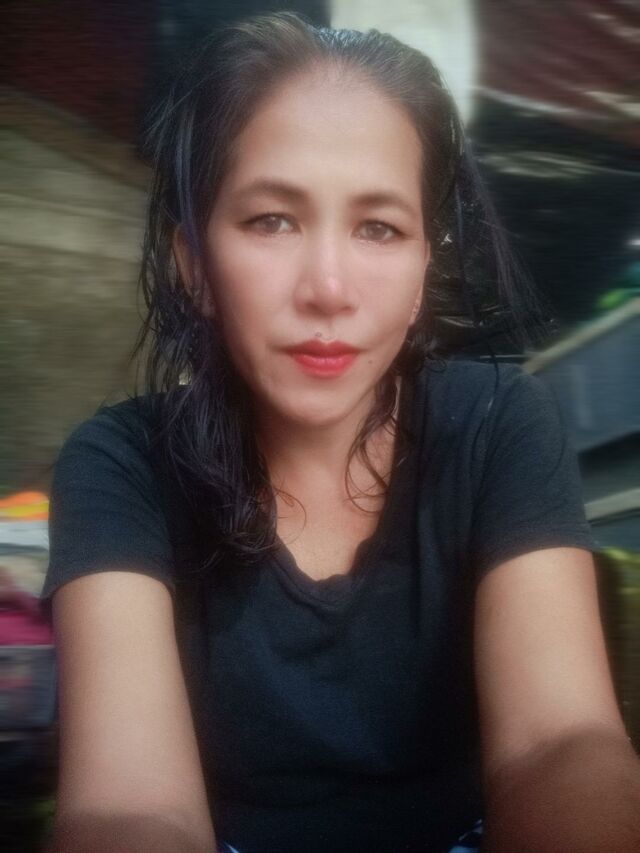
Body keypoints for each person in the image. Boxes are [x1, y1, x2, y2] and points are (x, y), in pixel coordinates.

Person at [39, 10, 640, 853]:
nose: (328, 287)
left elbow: (560, 741)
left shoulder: (498, 421)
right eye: (271, 219)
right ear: (193, 266)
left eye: (379, 227)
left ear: (422, 270)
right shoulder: (120, 466)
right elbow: (129, 810)